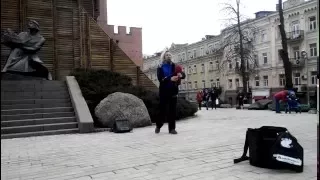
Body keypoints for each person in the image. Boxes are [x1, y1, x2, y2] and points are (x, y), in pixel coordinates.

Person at [156, 50, 185, 134]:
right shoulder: (160, 66)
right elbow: (160, 78)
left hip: (173, 90)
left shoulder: (175, 65)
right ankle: (158, 125)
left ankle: (172, 128)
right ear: (164, 57)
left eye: (170, 55)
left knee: (172, 110)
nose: (169, 56)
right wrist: (169, 79)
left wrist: (181, 75)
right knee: (162, 110)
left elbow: (183, 74)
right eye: (167, 55)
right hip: (164, 91)